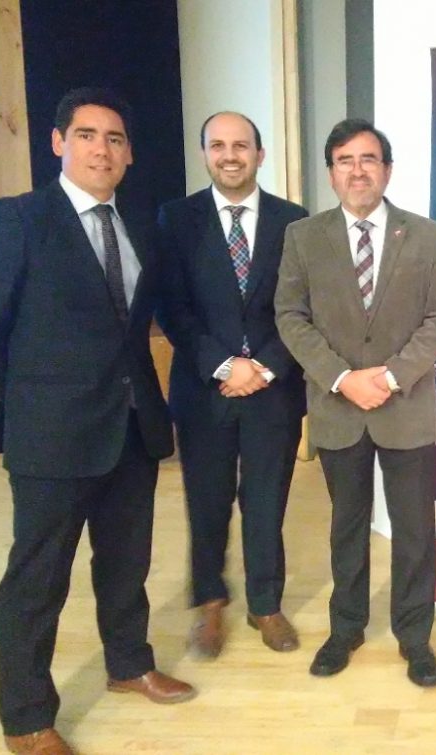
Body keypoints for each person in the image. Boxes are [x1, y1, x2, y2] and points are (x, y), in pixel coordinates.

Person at [0, 87, 194, 755]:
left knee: (126, 563)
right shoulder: (17, 219)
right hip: (52, 435)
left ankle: (129, 663)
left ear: (129, 154)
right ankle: (27, 718)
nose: (101, 149)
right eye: (86, 135)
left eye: (114, 139)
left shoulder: (138, 223)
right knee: (37, 580)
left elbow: (136, 326)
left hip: (133, 426)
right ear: (58, 143)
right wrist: (29, 398)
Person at [276, 118, 436, 688]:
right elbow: (291, 317)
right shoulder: (304, 237)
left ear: (387, 169)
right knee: (346, 529)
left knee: (414, 531)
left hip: (405, 407)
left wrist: (392, 376)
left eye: (369, 159)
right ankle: (346, 628)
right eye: (345, 161)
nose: (358, 171)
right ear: (331, 173)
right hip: (339, 410)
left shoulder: (427, 236)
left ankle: (415, 637)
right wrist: (340, 378)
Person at [157, 111, 308, 658]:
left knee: (267, 502)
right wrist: (225, 365)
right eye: (217, 145)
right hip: (204, 390)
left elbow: (303, 307)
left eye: (240, 145)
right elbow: (171, 308)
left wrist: (263, 366)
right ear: (205, 154)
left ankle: (265, 605)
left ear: (259, 154)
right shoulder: (177, 219)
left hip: (274, 389)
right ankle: (210, 602)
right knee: (207, 502)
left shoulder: (295, 222)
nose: (229, 155)